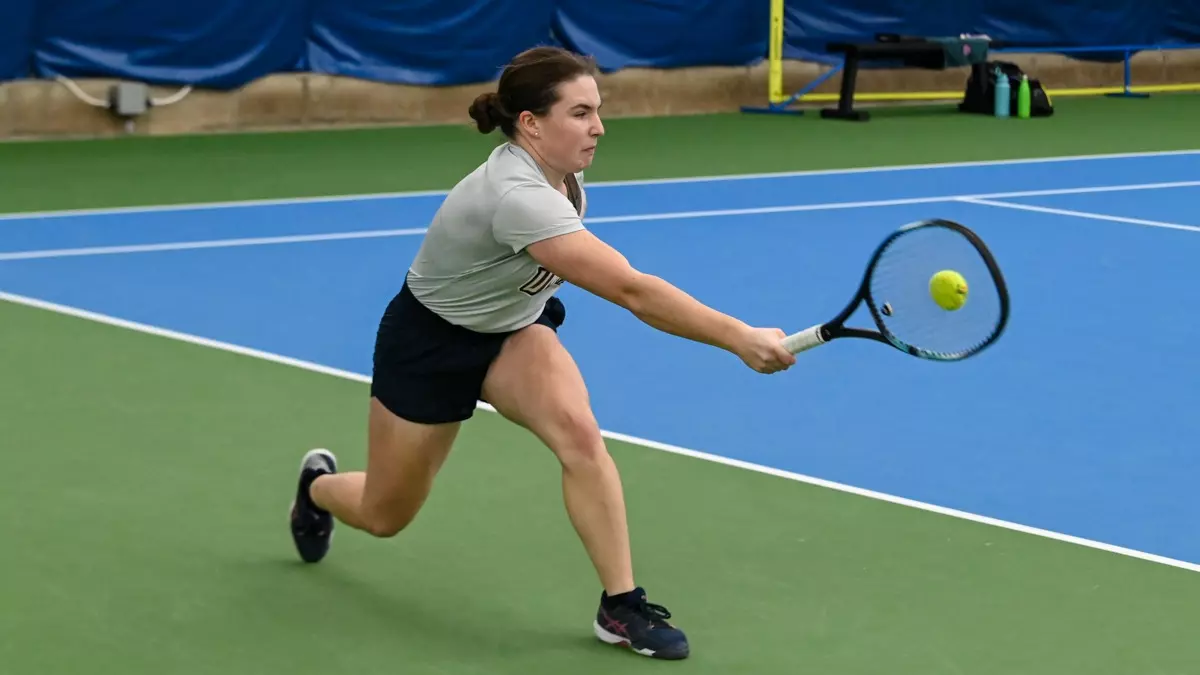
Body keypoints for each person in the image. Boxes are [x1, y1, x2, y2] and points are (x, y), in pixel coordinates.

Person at [287, 45, 797, 661]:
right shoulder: (516, 196)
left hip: (514, 329)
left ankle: (621, 605)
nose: (599, 127)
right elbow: (632, 290)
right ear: (531, 122)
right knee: (385, 513)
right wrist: (739, 336)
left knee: (581, 437)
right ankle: (317, 488)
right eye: (581, 113)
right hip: (431, 343)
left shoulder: (564, 171)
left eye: (598, 111)